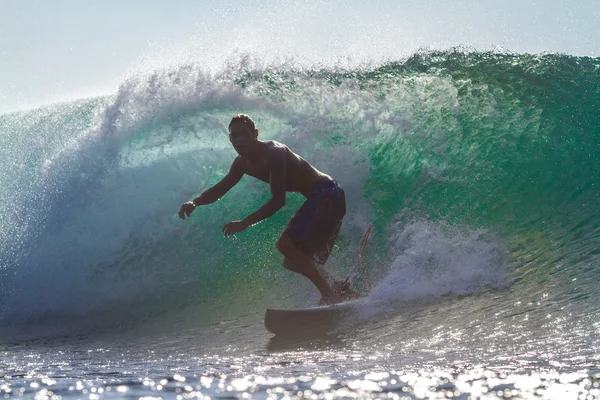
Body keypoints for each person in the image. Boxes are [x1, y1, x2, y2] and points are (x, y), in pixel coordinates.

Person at [179, 114, 356, 305]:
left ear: (255, 134)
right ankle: (337, 287)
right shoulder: (241, 163)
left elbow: (278, 200)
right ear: (230, 138)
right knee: (292, 260)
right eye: (234, 136)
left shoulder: (274, 152)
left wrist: (245, 223)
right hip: (322, 197)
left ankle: (329, 294)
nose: (238, 140)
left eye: (243, 134)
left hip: (328, 193)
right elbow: (220, 188)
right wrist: (195, 202)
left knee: (285, 244)